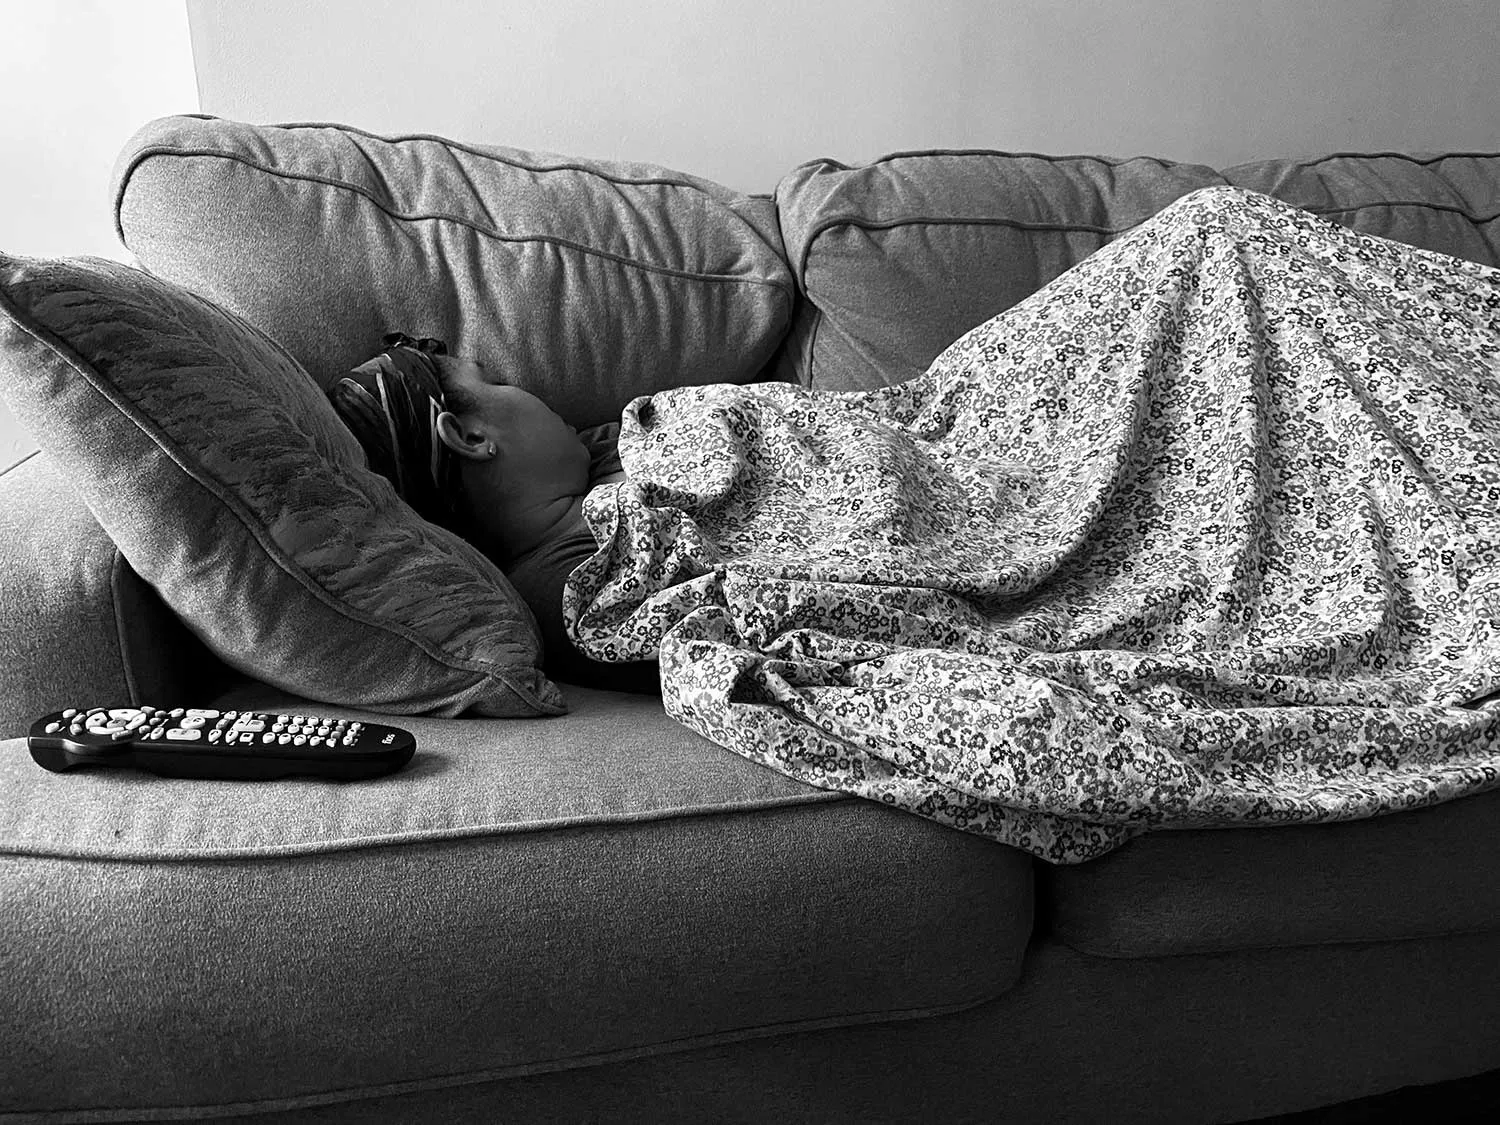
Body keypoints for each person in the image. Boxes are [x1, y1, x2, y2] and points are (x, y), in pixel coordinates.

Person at [327, 333, 658, 692]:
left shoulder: (613, 445)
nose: (534, 394)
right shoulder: (564, 588)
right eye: (497, 383)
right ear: (470, 438)